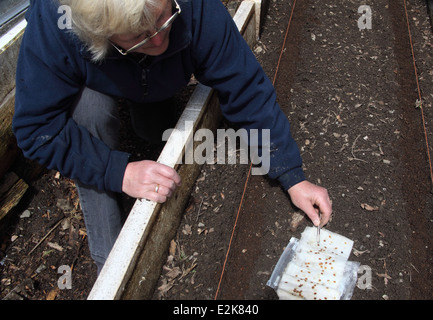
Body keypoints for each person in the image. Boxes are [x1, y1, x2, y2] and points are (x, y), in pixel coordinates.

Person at [13, 0, 332, 272]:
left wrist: (292, 175)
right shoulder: (58, 24)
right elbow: (37, 129)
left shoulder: (196, 9)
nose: (157, 38)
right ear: (99, 36)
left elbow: (245, 88)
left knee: (153, 128)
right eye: (140, 36)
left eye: (165, 17)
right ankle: (108, 261)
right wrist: (119, 171)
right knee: (90, 113)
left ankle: (148, 102)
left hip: (147, 71)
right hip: (96, 78)